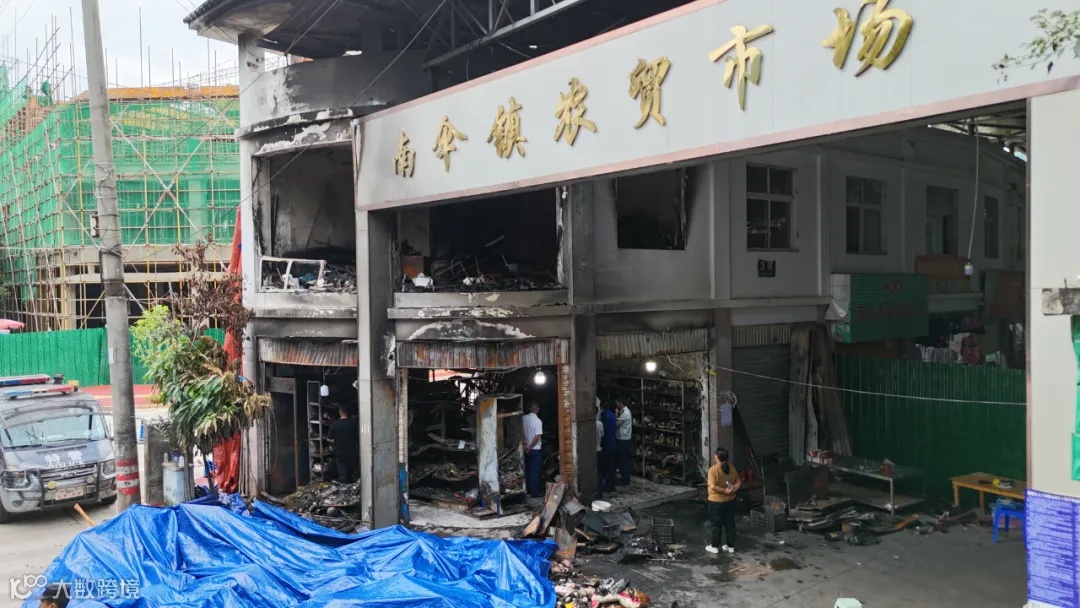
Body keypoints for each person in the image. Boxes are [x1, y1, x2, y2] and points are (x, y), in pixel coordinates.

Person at [706, 447, 741, 554]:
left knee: (716, 524)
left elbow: (713, 486)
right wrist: (734, 489)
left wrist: (724, 491)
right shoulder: (732, 468)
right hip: (730, 501)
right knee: (730, 523)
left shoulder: (713, 470)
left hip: (716, 502)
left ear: (716, 457)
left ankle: (715, 546)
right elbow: (738, 481)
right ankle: (730, 546)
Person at [329, 405, 360, 483]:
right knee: (354, 471)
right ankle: (356, 486)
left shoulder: (334, 424)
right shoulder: (353, 423)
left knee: (342, 472)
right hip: (352, 451)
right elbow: (358, 437)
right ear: (347, 413)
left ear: (340, 413)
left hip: (340, 452)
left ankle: (343, 487)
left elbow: (330, 438)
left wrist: (336, 441)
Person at [522, 402, 544, 498]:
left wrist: (525, 446)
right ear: (538, 410)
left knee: (527, 471)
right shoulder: (537, 421)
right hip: (535, 450)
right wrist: (530, 447)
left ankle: (527, 490)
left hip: (525, 448)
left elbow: (519, 432)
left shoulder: (523, 418)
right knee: (535, 472)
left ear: (530, 409)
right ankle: (534, 493)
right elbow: (537, 437)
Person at [599, 402, 617, 496]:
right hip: (613, 442)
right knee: (611, 466)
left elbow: (603, 433)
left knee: (606, 466)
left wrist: (601, 444)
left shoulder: (604, 417)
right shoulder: (612, 415)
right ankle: (611, 485)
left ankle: (609, 486)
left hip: (607, 445)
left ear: (601, 407)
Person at [614, 400, 633, 486]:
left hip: (624, 439)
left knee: (624, 460)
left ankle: (625, 480)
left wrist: (616, 414)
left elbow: (617, 424)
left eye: (617, 403)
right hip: (621, 438)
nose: (616, 404)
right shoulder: (623, 411)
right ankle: (624, 478)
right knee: (622, 459)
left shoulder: (625, 413)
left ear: (621, 403)